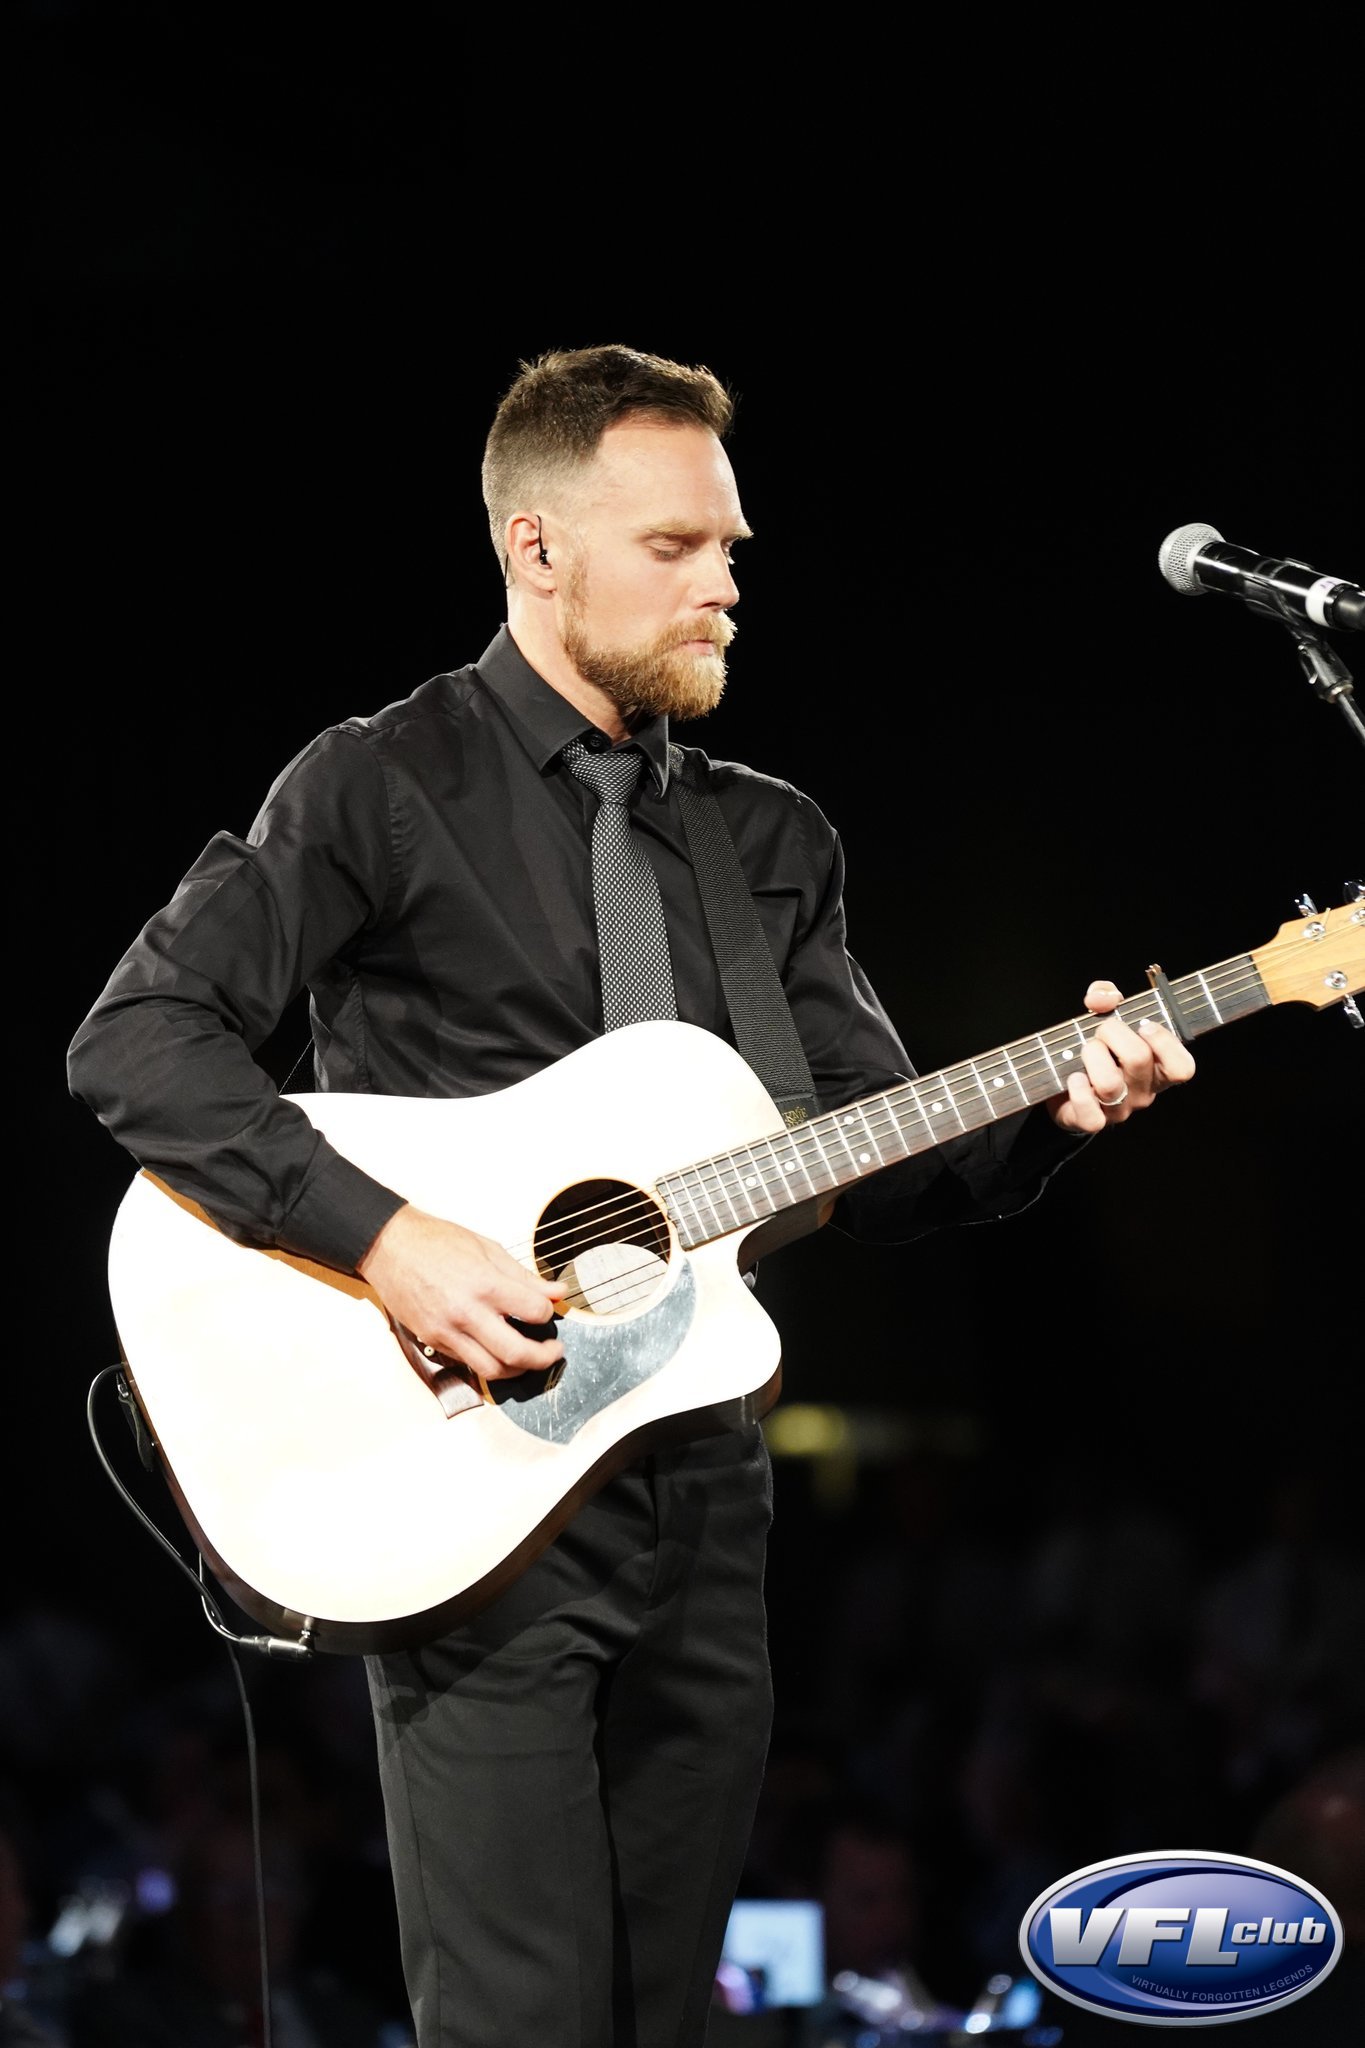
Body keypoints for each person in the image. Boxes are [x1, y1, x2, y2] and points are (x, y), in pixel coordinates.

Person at [66, 344, 1195, 2048]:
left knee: (666, 2019)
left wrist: (1056, 1109)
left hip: (704, 1493)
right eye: (674, 548)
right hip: (475, 1485)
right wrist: (389, 1241)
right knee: (519, 2020)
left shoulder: (770, 840)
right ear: (535, 548)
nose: (723, 585)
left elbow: (869, 1159)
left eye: (728, 548)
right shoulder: (378, 782)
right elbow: (139, 1040)